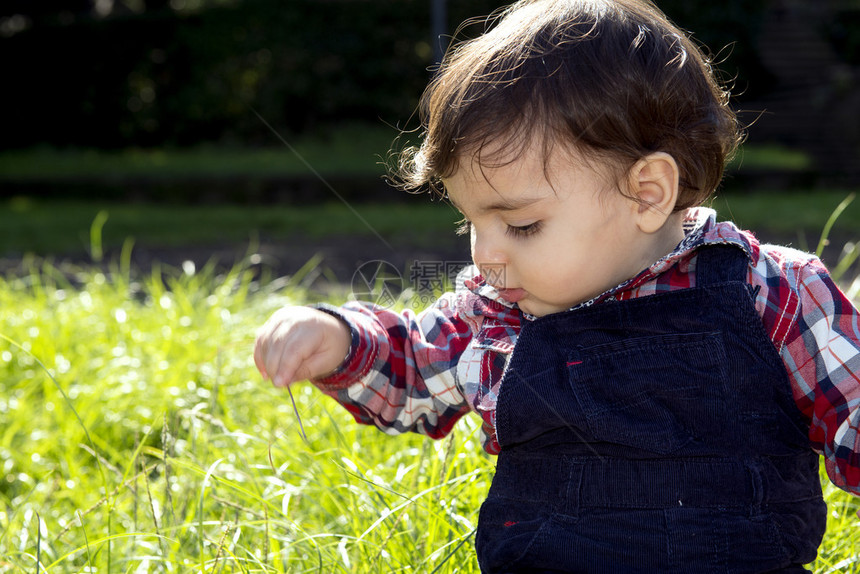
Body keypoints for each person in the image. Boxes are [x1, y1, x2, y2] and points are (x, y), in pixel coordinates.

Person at [254, 0, 860, 571]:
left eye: (521, 224)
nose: (485, 253)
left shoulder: (772, 290)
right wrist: (338, 339)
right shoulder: (494, 311)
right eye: (471, 222)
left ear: (648, 193)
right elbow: (413, 364)